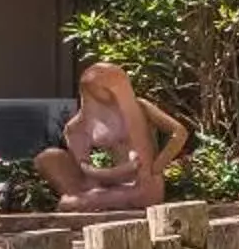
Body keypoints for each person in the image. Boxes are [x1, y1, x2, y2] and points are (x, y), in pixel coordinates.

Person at [34, 62, 189, 214]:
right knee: (48, 158)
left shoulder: (139, 107)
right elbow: (85, 169)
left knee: (71, 203)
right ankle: (90, 199)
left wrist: (156, 167)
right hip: (110, 183)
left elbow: (179, 132)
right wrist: (116, 173)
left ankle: (90, 201)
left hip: (141, 186)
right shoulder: (78, 126)